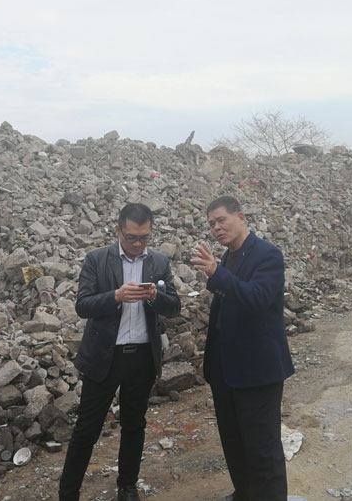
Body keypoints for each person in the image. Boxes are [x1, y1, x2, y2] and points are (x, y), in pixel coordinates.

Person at [59, 203, 181, 501]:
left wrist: (155, 297)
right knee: (87, 429)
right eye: (131, 238)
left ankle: (127, 486)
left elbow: (174, 307)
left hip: (142, 357)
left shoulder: (159, 261)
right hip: (104, 356)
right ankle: (68, 493)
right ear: (118, 231)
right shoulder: (97, 259)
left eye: (144, 238)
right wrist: (115, 296)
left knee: (134, 424)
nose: (138, 244)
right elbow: (82, 305)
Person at [191, 195, 295, 501]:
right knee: (234, 441)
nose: (216, 228)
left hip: (257, 369)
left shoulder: (267, 254)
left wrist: (216, 274)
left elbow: (257, 298)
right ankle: (245, 494)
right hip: (226, 368)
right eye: (211, 223)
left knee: (262, 446)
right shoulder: (228, 257)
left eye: (221, 220)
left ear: (241, 217)